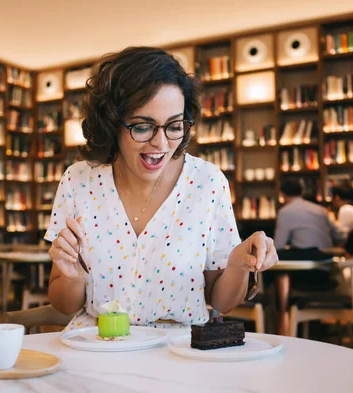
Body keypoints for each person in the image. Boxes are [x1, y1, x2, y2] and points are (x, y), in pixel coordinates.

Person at [44, 46, 278, 330]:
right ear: (111, 124)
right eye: (143, 127)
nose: (161, 143)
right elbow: (63, 304)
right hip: (98, 346)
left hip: (180, 351)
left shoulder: (208, 182)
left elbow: (222, 302)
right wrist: (71, 277)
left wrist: (239, 264)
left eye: (174, 125)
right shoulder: (79, 181)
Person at [274, 178, 345, 253]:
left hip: (305, 259)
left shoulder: (285, 212)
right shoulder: (321, 209)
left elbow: (278, 246)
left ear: (281, 194)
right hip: (327, 257)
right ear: (302, 192)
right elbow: (340, 236)